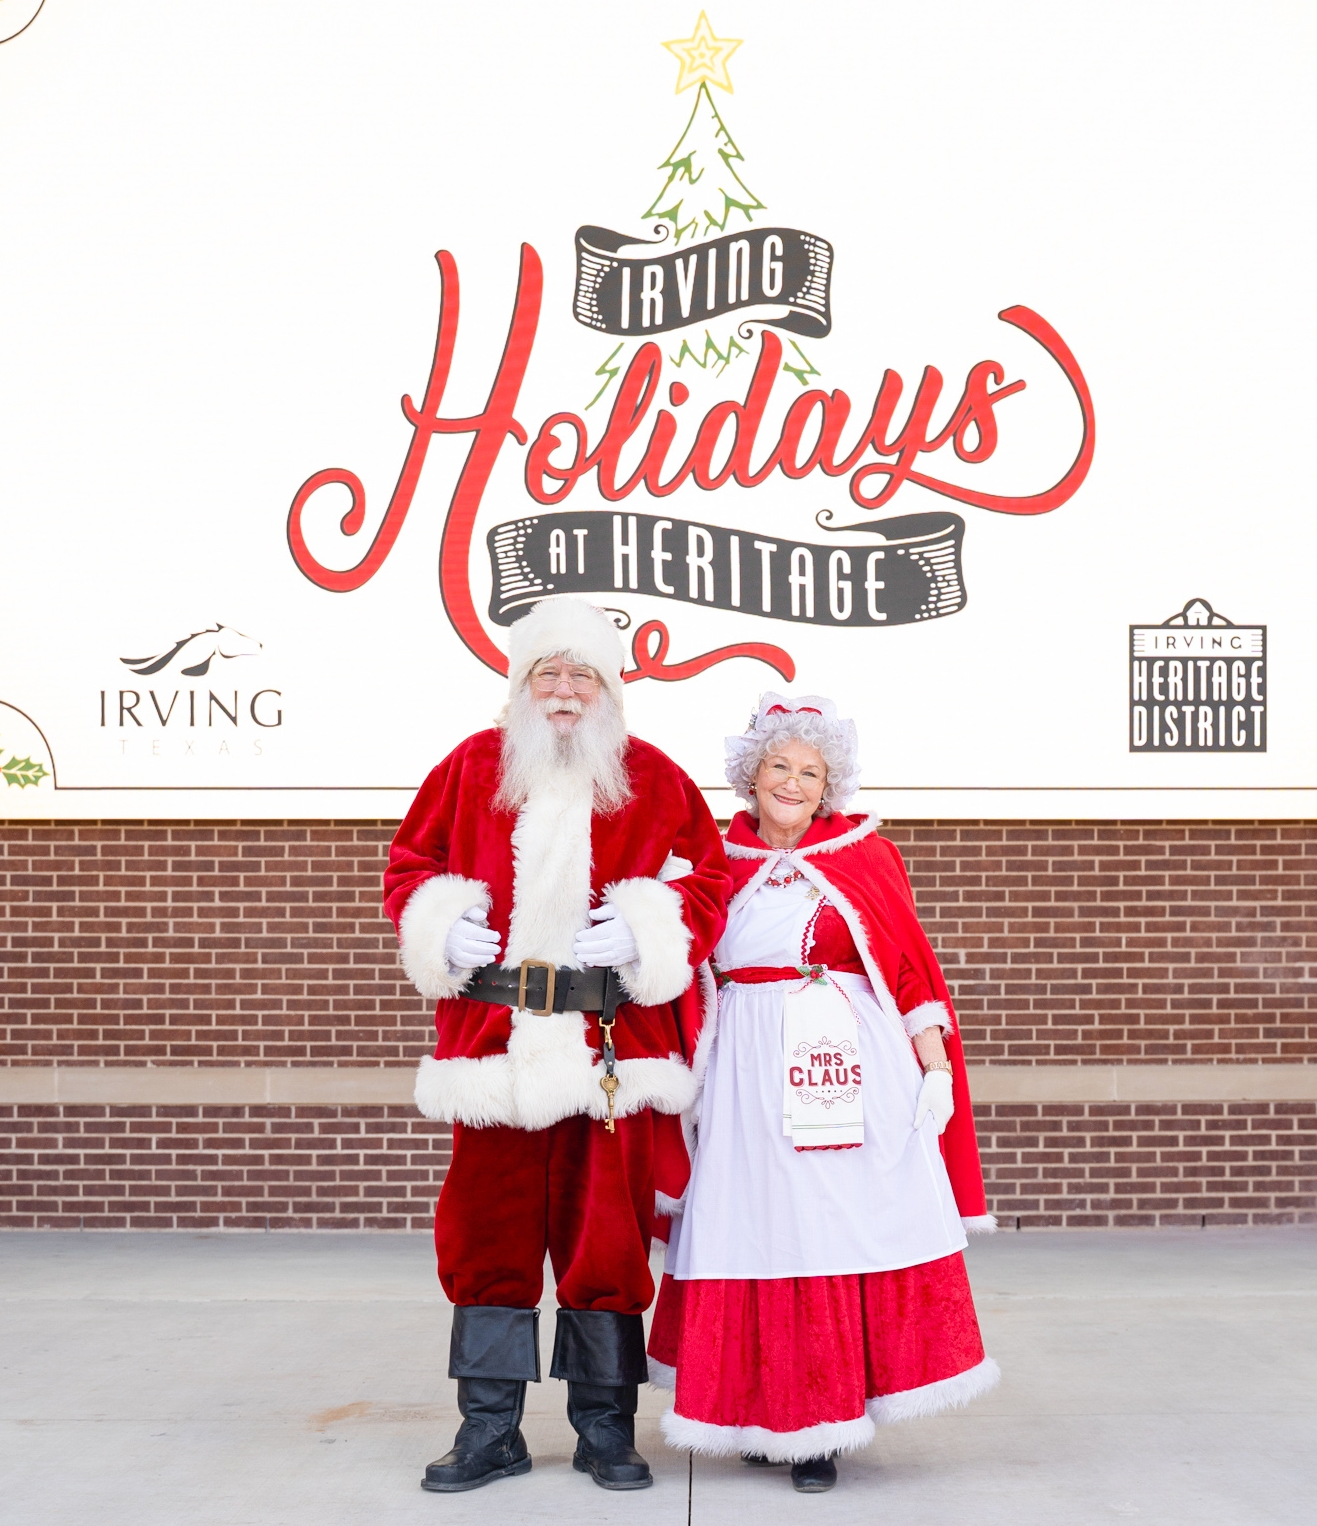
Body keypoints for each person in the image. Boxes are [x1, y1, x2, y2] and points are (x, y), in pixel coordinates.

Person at [384, 596, 729, 1494]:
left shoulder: (655, 777)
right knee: (484, 1238)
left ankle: (604, 1429)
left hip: (608, 1050)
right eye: (548, 672)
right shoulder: (468, 767)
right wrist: (439, 921)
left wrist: (652, 924)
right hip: (492, 1046)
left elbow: (708, 879)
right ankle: (488, 1428)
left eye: (583, 674)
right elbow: (409, 864)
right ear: (521, 685)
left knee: (605, 1244)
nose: (565, 690)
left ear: (609, 689)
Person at [648, 693, 998, 1493]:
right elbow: (679, 964)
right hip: (741, 1069)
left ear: (828, 785)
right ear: (750, 775)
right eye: (779, 765)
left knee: (831, 1226)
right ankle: (755, 1409)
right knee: (754, 1226)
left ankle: (819, 1426)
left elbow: (906, 965)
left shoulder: (865, 856)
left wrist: (936, 1068)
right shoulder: (707, 861)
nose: (793, 782)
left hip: (846, 1061)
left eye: (810, 772)